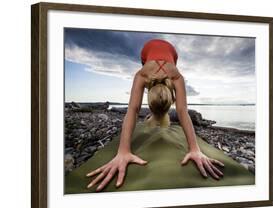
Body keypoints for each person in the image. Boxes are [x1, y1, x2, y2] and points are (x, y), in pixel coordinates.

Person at [86, 39, 224, 191]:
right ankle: (157, 113)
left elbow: (133, 109)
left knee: (158, 99)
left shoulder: (165, 76)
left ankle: (157, 112)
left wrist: (195, 150)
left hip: (171, 53)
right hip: (148, 52)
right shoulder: (151, 74)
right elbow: (181, 110)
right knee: (160, 99)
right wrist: (123, 151)